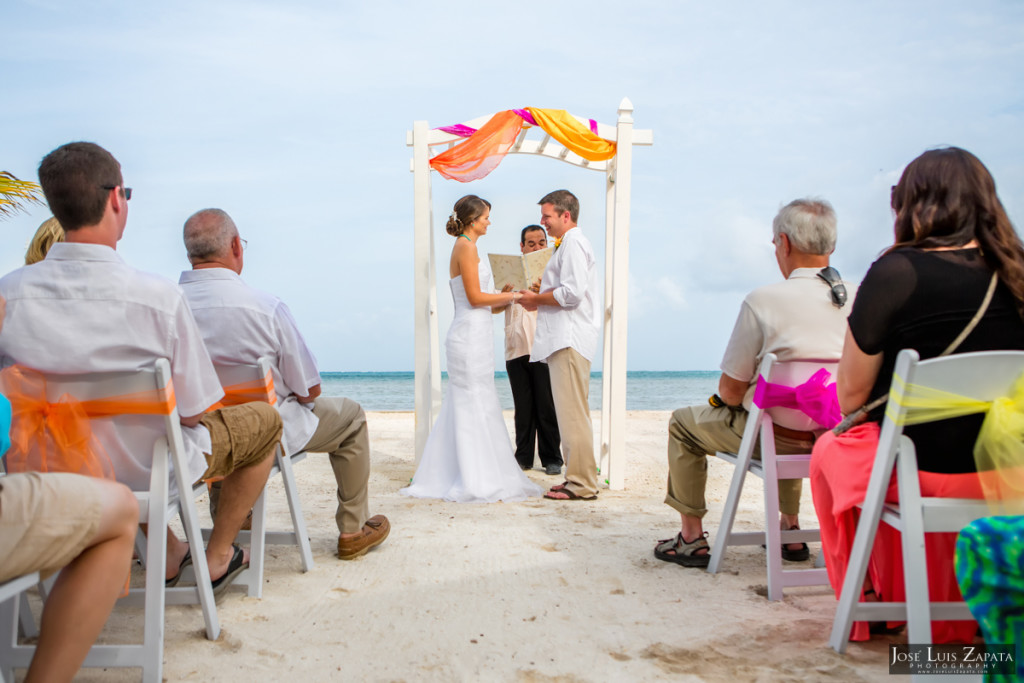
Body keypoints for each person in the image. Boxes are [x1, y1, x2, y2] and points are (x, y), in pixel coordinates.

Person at [0, 142, 282, 596]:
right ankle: (218, 554)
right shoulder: (156, 298)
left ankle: (170, 554)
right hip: (146, 474)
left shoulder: (6, 296)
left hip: (44, 473)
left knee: (136, 437)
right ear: (115, 199)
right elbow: (192, 413)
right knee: (264, 422)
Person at [810, 147, 1024, 643]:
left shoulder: (897, 273)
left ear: (913, 205)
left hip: (926, 474)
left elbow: (851, 398)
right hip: (1011, 474)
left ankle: (871, 612)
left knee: (832, 454)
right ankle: (965, 618)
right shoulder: (1016, 273)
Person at [179, 208, 390, 559]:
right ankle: (353, 529)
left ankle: (234, 518)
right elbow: (310, 390)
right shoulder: (265, 308)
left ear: (189, 254)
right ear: (235, 247)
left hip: (198, 437)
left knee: (216, 413)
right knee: (351, 417)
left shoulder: (168, 308)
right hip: (268, 434)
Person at [654, 198, 853, 567]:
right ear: (832, 247)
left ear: (784, 243)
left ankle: (691, 539)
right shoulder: (857, 297)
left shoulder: (764, 300)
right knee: (793, 412)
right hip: (836, 436)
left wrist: (753, 394)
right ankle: (790, 531)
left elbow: (729, 392)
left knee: (684, 422)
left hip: (772, 437)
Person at [401, 195, 542, 502]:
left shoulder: (470, 247)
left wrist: (502, 295)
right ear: (474, 219)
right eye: (487, 217)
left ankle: (481, 469)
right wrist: (513, 297)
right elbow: (476, 299)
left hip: (478, 334)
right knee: (469, 402)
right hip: (466, 336)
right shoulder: (465, 246)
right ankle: (471, 475)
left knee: (481, 400)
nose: (489, 221)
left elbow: (485, 306)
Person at [518, 190, 601, 500]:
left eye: (547, 216)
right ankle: (575, 477)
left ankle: (582, 484)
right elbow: (565, 288)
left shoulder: (574, 243)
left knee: (573, 415)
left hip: (569, 338)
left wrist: (535, 299)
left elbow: (572, 294)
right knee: (569, 414)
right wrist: (542, 290)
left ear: (566, 216)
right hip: (563, 338)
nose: (543, 222)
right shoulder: (566, 245)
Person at [502, 225, 562, 475]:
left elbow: (561, 303)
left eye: (541, 242)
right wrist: (504, 295)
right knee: (523, 407)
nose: (537, 247)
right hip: (515, 349)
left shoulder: (554, 274)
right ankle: (523, 457)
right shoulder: (509, 273)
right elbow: (495, 309)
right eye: (531, 243)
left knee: (546, 406)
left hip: (542, 347)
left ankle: (551, 458)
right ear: (522, 247)